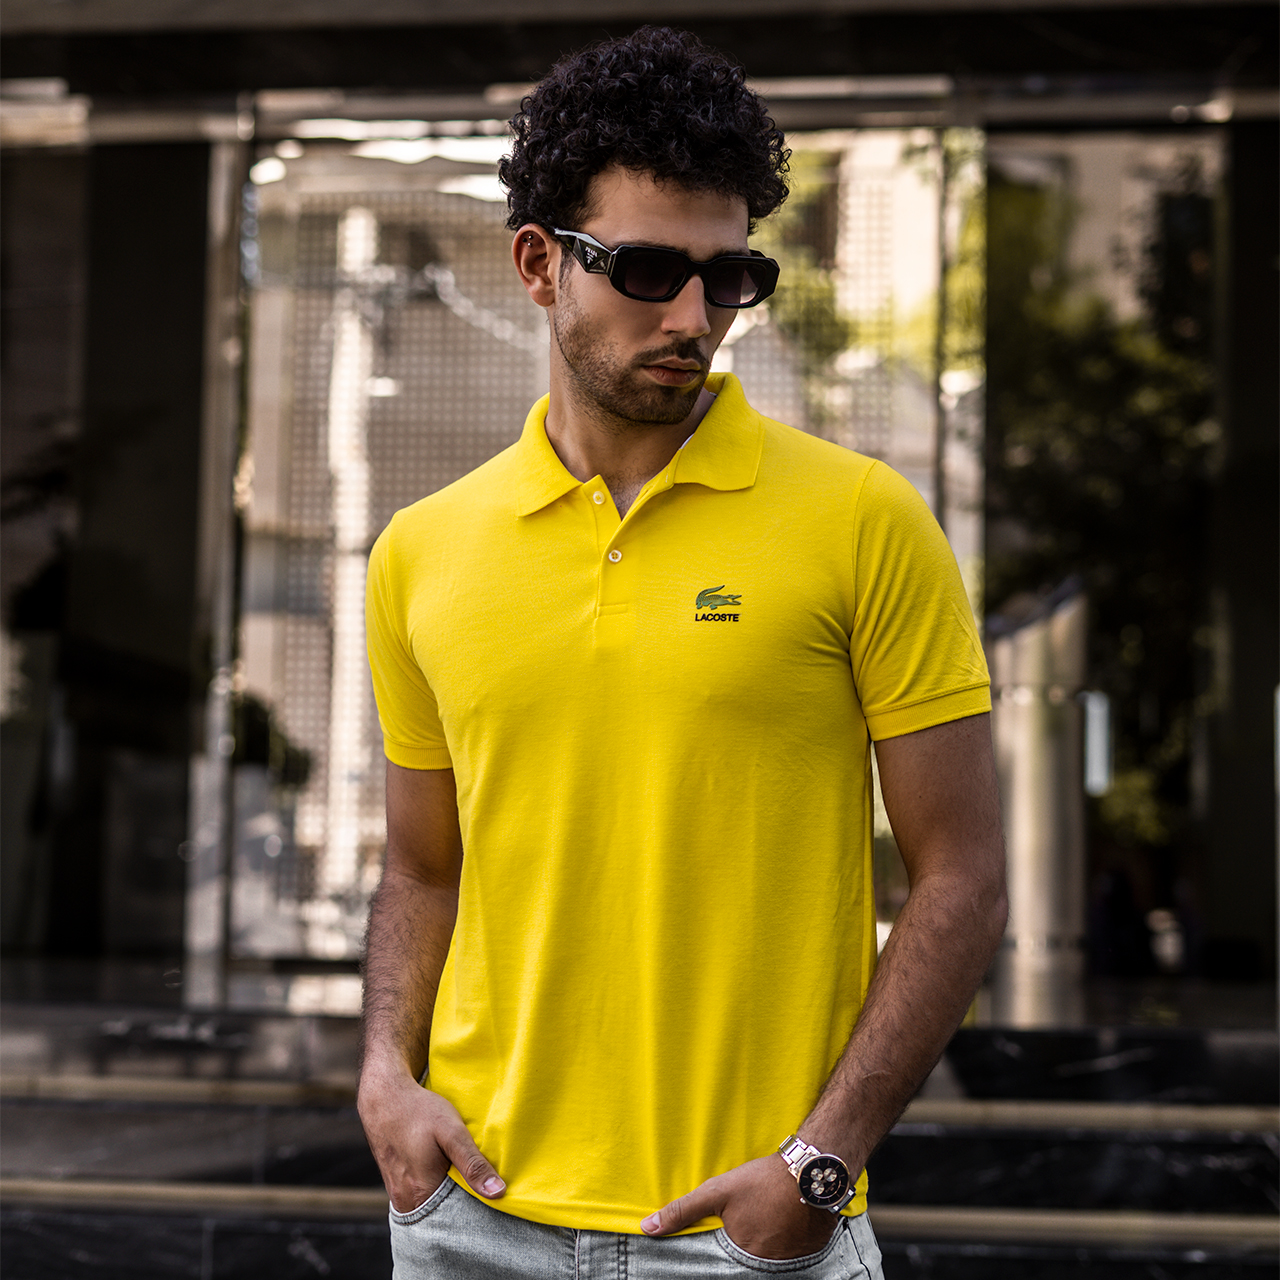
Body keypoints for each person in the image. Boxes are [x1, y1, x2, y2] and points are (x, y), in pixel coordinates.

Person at [358, 25, 1007, 1280]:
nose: (691, 316)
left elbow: (962, 876)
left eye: (727, 277)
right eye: (648, 268)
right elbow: (423, 865)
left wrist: (819, 1163)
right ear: (538, 263)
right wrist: (385, 1071)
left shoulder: (863, 520)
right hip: (470, 1221)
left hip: (747, 1239)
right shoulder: (421, 551)